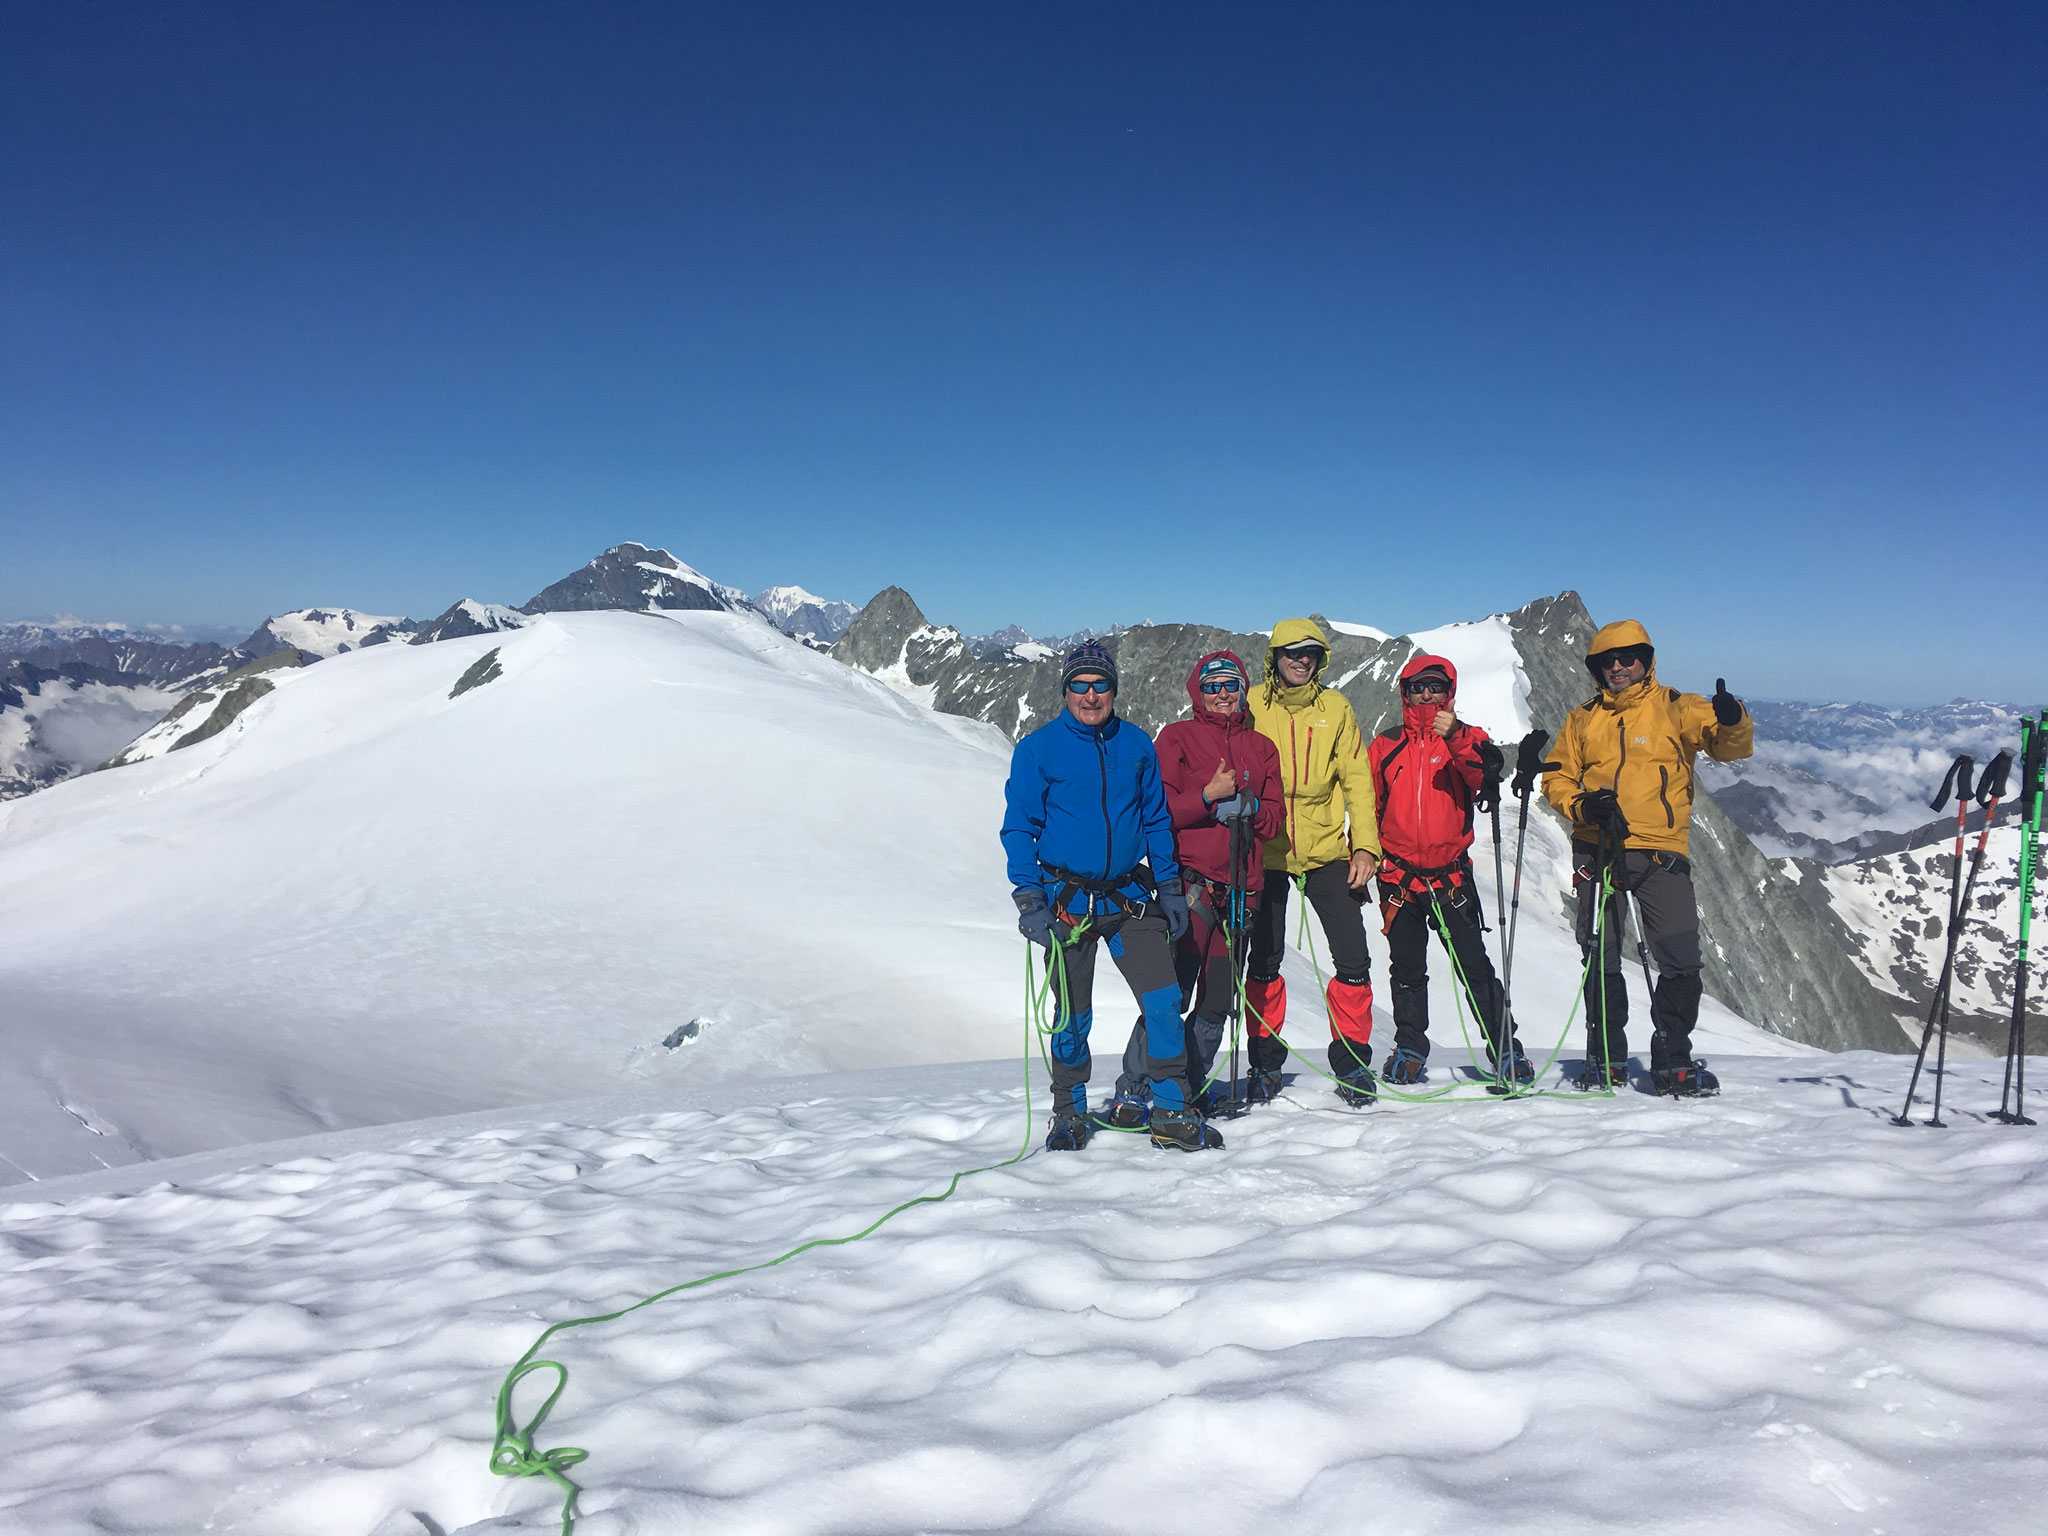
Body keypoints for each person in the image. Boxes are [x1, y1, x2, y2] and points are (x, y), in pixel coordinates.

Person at [1002, 640, 1217, 1151]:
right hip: (1065, 901)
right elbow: (1019, 829)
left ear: (1114, 690)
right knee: (1073, 1015)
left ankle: (1169, 1107)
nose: (1091, 695)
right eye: (1080, 685)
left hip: (1127, 898)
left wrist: (1168, 885)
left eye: (1100, 685)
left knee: (1164, 1001)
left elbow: (1156, 820)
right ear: (1065, 690)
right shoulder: (1038, 749)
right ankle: (1070, 1112)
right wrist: (1029, 899)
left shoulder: (1137, 744)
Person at [1542, 619, 1753, 1096]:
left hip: (1660, 851)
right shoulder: (1581, 718)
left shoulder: (1678, 707)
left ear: (1646, 660)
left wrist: (1734, 717)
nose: (1617, 667)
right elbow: (1556, 777)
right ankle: (1607, 1060)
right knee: (1601, 959)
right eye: (1606, 661)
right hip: (1597, 850)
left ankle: (1671, 1057)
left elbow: (1726, 746)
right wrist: (1582, 806)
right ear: (1596, 668)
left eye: (1627, 658)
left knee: (1680, 960)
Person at [1109, 652, 1285, 1122]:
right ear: (1197, 692)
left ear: (1243, 689)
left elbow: (1274, 821)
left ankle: (1189, 1085)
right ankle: (1139, 1084)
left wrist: (1251, 810)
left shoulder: (1263, 747)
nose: (1223, 694)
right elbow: (1158, 811)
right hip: (1193, 885)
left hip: (1242, 890)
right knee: (1173, 991)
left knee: (1218, 999)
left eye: (1231, 685)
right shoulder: (1177, 738)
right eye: (1213, 686)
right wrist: (1208, 797)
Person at [1368, 653, 1532, 1085]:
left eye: (1435, 686)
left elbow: (1484, 776)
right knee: (1406, 971)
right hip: (1399, 878)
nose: (1426, 693)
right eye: (1418, 686)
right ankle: (1409, 1047)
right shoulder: (1385, 745)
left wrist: (1456, 734)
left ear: (1449, 692)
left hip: (1449, 879)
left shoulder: (1465, 738)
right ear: (1405, 692)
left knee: (1475, 968)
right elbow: (1369, 806)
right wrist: (1362, 852)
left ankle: (1505, 1050)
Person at [1242, 619, 1383, 1105]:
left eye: (1310, 653)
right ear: (1274, 656)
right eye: (1291, 652)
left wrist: (1365, 845)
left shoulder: (1336, 708)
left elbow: (1357, 781)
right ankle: (1264, 1065)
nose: (1301, 660)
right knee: (1263, 960)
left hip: (1326, 851)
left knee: (1353, 960)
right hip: (1269, 848)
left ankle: (1353, 1063)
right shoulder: (1251, 703)